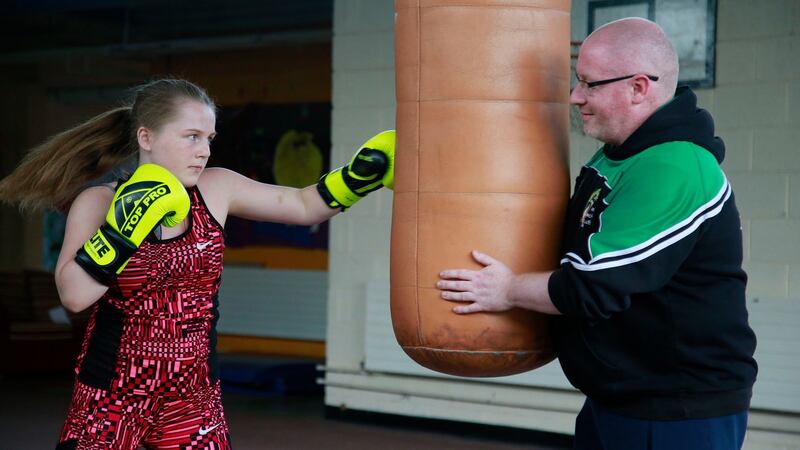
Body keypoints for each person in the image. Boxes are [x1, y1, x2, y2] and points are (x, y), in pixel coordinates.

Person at [0, 78, 394, 450]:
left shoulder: (216, 188)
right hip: (113, 394)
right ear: (146, 137)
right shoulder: (100, 203)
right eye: (191, 137)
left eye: (208, 138)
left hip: (193, 398)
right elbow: (73, 296)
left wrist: (359, 177)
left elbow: (302, 205)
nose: (204, 150)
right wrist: (123, 228)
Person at [436, 17, 757, 450]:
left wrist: (508, 289)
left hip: (677, 409)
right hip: (619, 399)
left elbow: (593, 285)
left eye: (590, 84)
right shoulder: (615, 158)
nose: (575, 97)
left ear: (639, 87)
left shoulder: (674, 167)